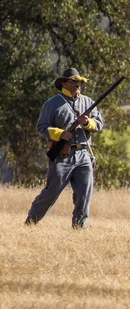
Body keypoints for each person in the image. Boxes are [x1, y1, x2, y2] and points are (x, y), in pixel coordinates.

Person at [25, 68, 103, 229]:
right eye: (74, 82)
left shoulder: (88, 102)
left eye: (79, 82)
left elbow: (99, 124)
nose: (78, 85)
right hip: (63, 155)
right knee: (51, 192)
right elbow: (41, 127)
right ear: (64, 83)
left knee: (84, 195)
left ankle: (79, 229)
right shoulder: (52, 103)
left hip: (84, 154)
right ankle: (30, 223)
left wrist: (87, 123)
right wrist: (60, 134)